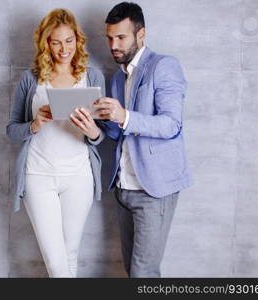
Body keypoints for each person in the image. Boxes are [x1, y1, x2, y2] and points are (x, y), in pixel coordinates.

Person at [93, 2, 193, 277]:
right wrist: (96, 125)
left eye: (121, 37)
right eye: (110, 38)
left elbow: (171, 124)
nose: (114, 45)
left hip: (154, 189)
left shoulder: (164, 66)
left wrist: (124, 115)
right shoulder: (116, 78)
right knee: (132, 271)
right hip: (123, 187)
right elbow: (118, 133)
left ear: (141, 34)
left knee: (143, 273)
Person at [6, 8, 105, 277]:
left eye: (69, 41)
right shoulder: (31, 79)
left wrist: (92, 130)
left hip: (78, 176)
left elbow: (101, 134)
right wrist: (34, 124)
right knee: (56, 262)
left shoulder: (92, 76)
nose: (64, 49)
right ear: (45, 43)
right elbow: (12, 131)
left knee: (70, 256)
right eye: (56, 41)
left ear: (78, 40)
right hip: (39, 175)